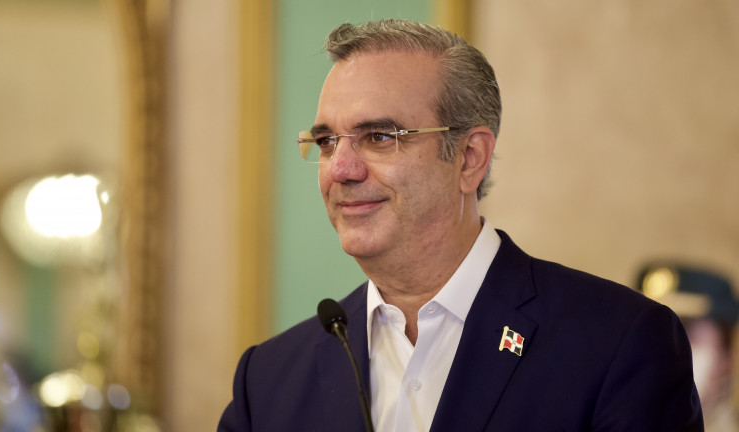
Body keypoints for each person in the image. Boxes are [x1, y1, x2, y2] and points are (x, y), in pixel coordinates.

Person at [218, 19, 703, 431]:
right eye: (326, 142)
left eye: (380, 136)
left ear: (470, 158)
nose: (340, 169)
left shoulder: (617, 344)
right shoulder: (267, 380)